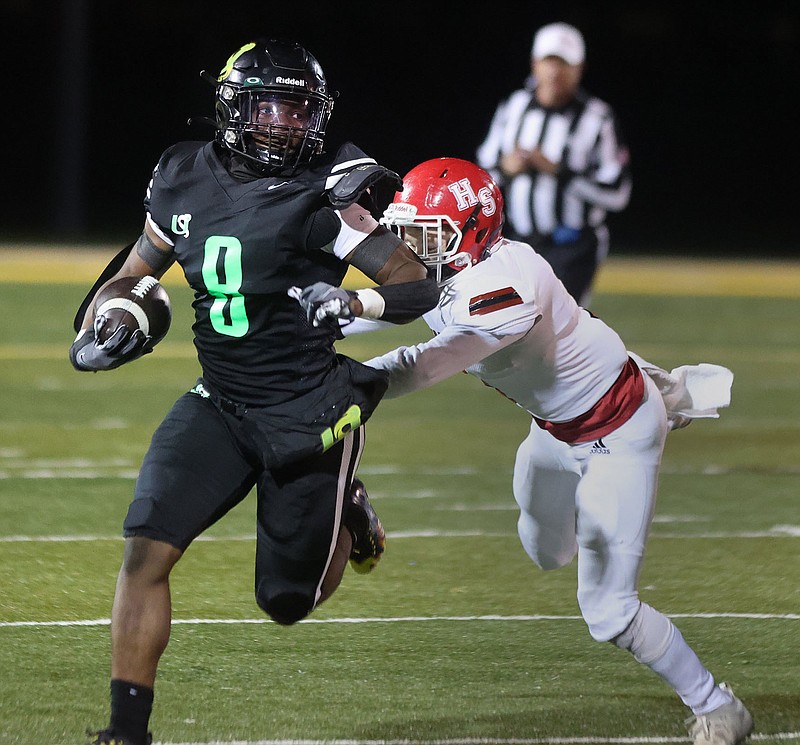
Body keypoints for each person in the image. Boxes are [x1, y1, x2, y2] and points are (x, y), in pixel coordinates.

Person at [295, 157, 753, 745]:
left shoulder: (507, 285)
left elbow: (422, 362)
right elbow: (403, 293)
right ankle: (660, 391)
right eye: (407, 232)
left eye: (427, 236)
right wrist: (320, 288)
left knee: (608, 611)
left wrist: (346, 332)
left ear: (474, 233)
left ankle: (718, 706)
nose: (411, 248)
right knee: (543, 550)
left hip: (617, 430)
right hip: (554, 427)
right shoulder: (453, 267)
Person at [69, 38, 439, 745]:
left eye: (299, 111)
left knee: (286, 602)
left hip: (308, 411)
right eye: (270, 108)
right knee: (146, 547)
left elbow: (414, 280)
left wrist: (356, 305)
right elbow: (133, 270)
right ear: (234, 109)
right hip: (222, 402)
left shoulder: (327, 187)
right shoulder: (181, 175)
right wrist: (113, 314)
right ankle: (125, 730)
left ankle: (348, 509)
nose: (285, 125)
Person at [475, 22, 632, 307]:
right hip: (517, 243)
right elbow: (480, 177)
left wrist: (559, 171)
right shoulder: (513, 108)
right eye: (549, 61)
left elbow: (618, 193)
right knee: (507, 328)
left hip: (572, 246)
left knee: (558, 329)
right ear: (535, 63)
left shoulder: (597, 118)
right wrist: (506, 170)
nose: (555, 72)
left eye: (565, 63)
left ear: (579, 68)